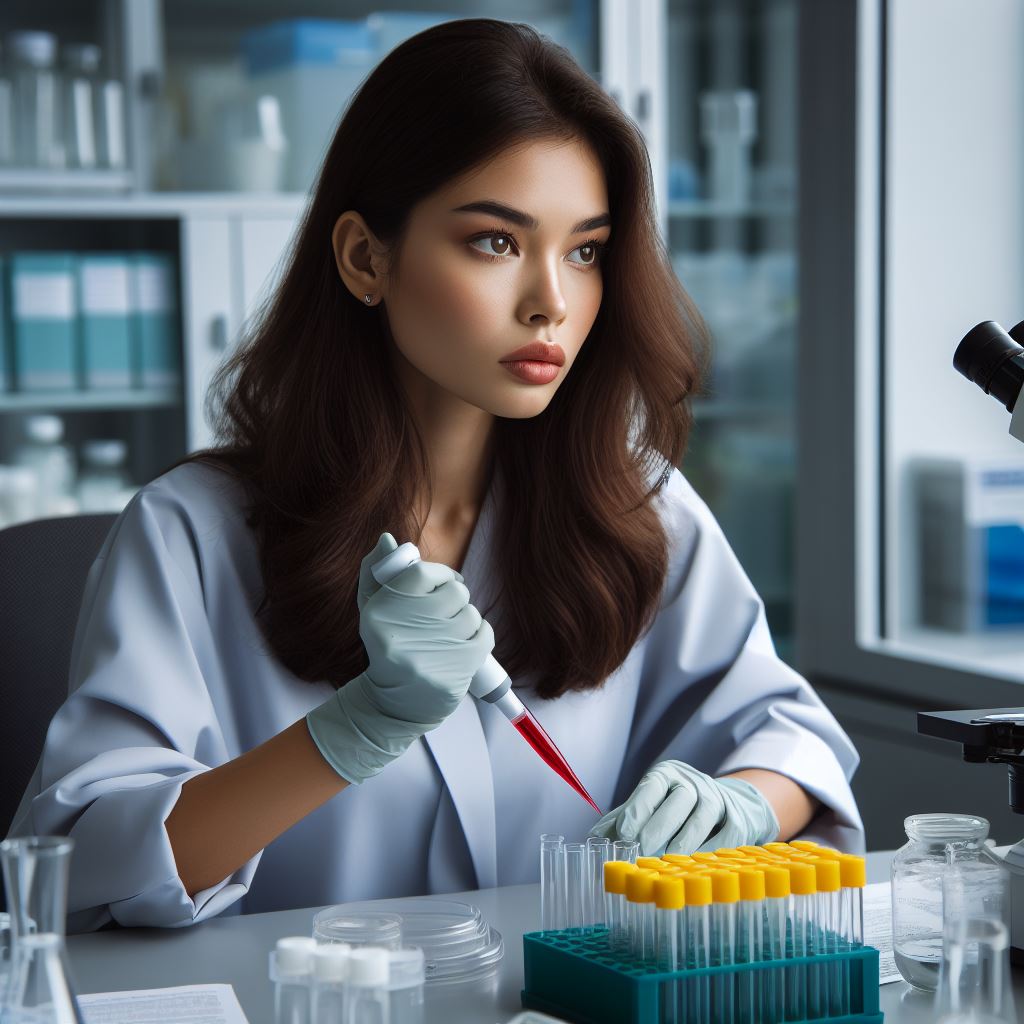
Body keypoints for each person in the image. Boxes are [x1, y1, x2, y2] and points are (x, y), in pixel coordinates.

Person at [7, 19, 862, 932]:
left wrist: (746, 804)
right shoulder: (192, 532)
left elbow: (790, 737)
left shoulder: (635, 504)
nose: (553, 302)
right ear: (365, 258)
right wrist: (350, 732)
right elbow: (83, 866)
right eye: (496, 242)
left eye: (585, 250)